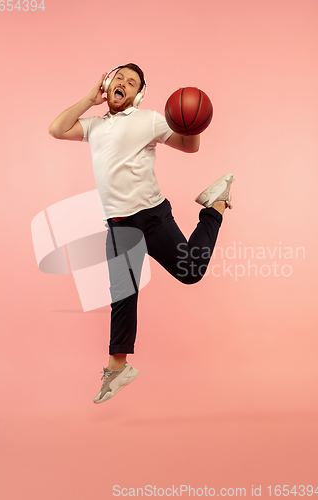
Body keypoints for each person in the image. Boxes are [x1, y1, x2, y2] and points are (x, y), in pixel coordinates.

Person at [48, 63, 235, 404]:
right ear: (108, 83)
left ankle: (216, 204)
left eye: (131, 82)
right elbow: (57, 129)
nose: (123, 83)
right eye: (118, 77)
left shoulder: (147, 119)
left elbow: (188, 145)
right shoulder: (95, 126)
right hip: (118, 224)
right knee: (122, 295)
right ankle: (118, 368)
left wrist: (189, 121)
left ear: (139, 94)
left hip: (151, 217)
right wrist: (90, 99)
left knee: (191, 272)